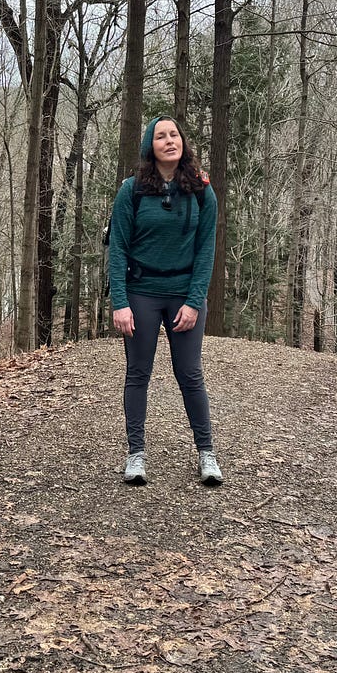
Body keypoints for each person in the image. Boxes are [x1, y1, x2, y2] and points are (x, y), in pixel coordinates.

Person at [108, 115, 221, 486]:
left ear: (183, 142)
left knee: (189, 374)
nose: (169, 141)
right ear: (150, 146)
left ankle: (207, 455)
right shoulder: (132, 190)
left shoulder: (202, 191)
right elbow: (118, 249)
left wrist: (194, 300)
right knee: (138, 373)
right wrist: (120, 303)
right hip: (141, 291)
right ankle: (136, 455)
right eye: (160, 136)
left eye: (174, 135)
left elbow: (206, 251)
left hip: (184, 293)